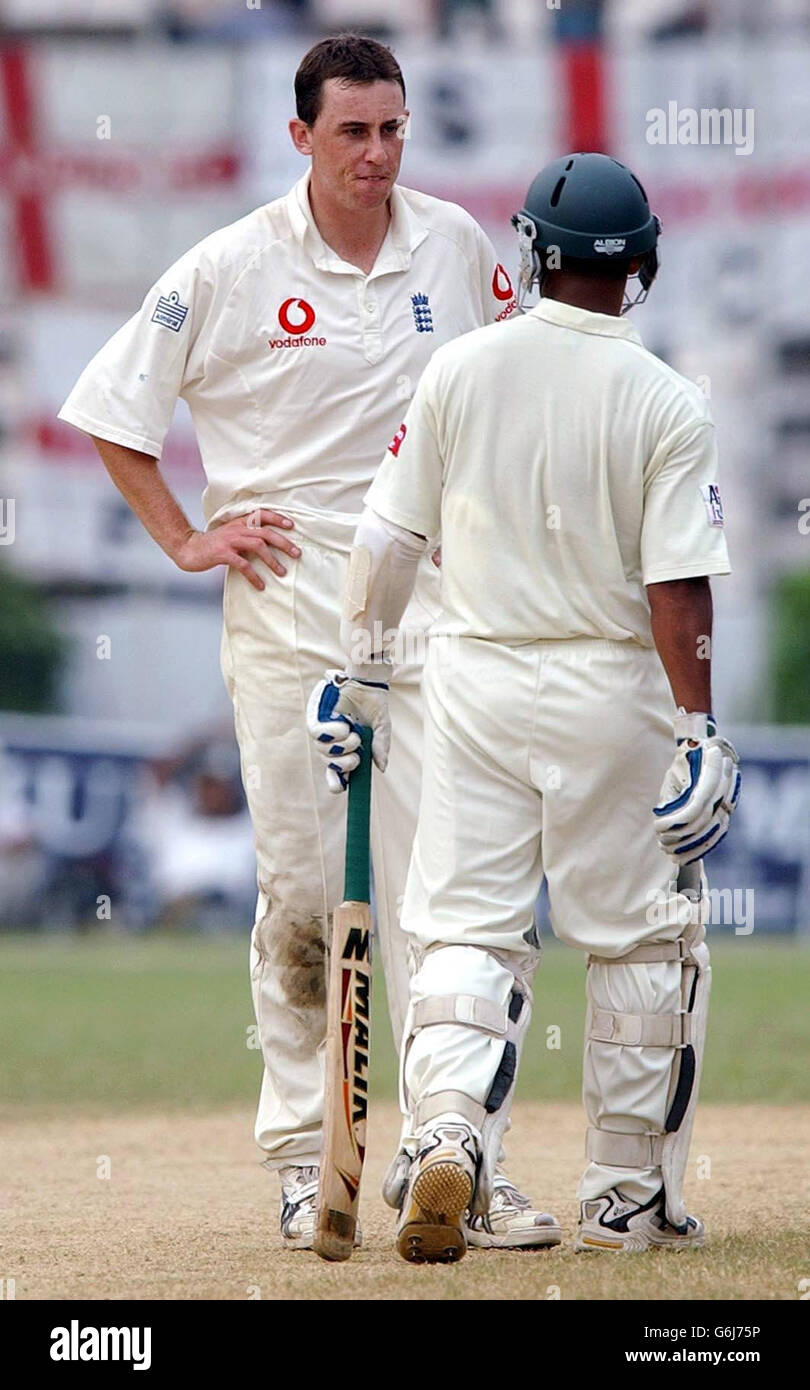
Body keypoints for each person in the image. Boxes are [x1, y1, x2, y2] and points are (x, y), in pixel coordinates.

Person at [57, 32, 559, 1251]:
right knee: (296, 890)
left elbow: (513, 391)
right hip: (287, 605)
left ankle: (457, 1151)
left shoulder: (454, 244)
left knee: (448, 885)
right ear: (302, 137)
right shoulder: (229, 265)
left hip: (432, 603)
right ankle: (304, 1156)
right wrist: (186, 536)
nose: (378, 153)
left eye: (393, 128)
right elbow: (115, 409)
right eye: (352, 131)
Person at [308, 151, 741, 1263]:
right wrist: (698, 730)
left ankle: (451, 1129)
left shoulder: (460, 369)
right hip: (615, 694)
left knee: (465, 927)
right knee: (643, 942)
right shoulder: (667, 396)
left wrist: (361, 674)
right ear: (639, 265)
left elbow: (386, 542)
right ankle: (624, 1200)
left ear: (532, 255)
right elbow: (676, 588)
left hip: (475, 680)